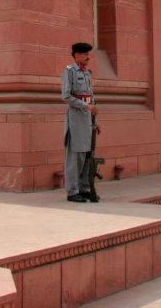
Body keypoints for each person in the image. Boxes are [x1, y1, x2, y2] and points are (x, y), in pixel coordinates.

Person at [62, 42, 99, 203]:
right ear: (76, 55)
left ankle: (84, 189)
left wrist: (95, 120)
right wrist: (86, 106)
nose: (87, 57)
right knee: (75, 155)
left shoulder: (88, 73)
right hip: (76, 117)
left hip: (87, 118)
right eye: (84, 54)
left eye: (88, 54)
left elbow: (91, 97)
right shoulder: (69, 71)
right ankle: (72, 191)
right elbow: (66, 96)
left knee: (86, 155)